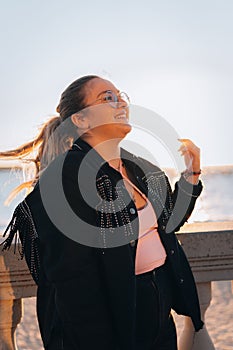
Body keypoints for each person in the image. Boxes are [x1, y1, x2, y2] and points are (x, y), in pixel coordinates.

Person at [0, 75, 204, 350]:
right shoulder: (64, 180)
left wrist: (192, 173)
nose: (120, 102)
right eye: (107, 97)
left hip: (159, 312)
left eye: (121, 96)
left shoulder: (140, 169)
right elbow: (71, 280)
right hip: (110, 322)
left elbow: (167, 223)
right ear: (81, 120)